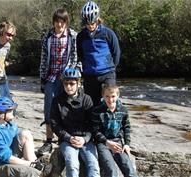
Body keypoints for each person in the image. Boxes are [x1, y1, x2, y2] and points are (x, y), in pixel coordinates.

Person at [0, 96, 52, 177]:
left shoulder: (7, 124)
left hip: (6, 156)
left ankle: (35, 162)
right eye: (10, 110)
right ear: (0, 114)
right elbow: (6, 157)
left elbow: (19, 137)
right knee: (32, 173)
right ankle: (36, 169)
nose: (13, 112)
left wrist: (32, 163)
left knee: (25, 134)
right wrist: (29, 164)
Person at [38, 8, 78, 156]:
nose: (59, 25)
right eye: (57, 22)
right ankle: (48, 141)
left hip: (67, 78)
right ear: (54, 22)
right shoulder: (47, 37)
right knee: (49, 110)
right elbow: (43, 58)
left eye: (62, 22)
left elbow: (75, 57)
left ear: (66, 22)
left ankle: (64, 139)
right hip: (51, 77)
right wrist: (42, 79)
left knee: (67, 109)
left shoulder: (73, 36)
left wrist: (72, 76)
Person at [50, 68, 100, 177]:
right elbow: (55, 124)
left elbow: (93, 123)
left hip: (86, 139)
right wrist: (68, 138)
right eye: (66, 83)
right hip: (67, 139)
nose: (68, 87)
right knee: (72, 164)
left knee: (93, 164)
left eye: (72, 83)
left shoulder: (87, 99)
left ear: (78, 83)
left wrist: (85, 138)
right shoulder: (57, 101)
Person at [77, 1, 121, 106]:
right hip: (90, 75)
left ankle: (114, 121)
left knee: (110, 101)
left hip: (107, 74)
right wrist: (87, 67)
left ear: (97, 19)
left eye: (92, 23)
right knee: (91, 105)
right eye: (87, 24)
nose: (90, 26)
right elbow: (81, 54)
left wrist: (111, 67)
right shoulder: (81, 36)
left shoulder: (108, 33)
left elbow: (116, 52)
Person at [91, 83, 138, 177]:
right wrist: (106, 142)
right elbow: (95, 131)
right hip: (103, 143)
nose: (110, 99)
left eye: (113, 96)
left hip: (118, 142)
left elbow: (126, 127)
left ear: (118, 95)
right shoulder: (97, 111)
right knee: (111, 170)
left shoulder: (123, 110)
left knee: (129, 169)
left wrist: (127, 144)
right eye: (107, 96)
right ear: (103, 96)